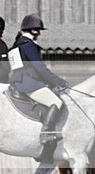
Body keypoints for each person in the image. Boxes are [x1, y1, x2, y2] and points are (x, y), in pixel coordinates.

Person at [8, 14, 68, 147]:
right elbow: (40, 68)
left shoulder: (16, 45)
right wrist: (58, 81)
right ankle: (46, 133)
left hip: (17, 82)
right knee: (56, 102)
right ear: (33, 31)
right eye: (38, 31)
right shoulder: (28, 45)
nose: (39, 34)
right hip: (28, 83)